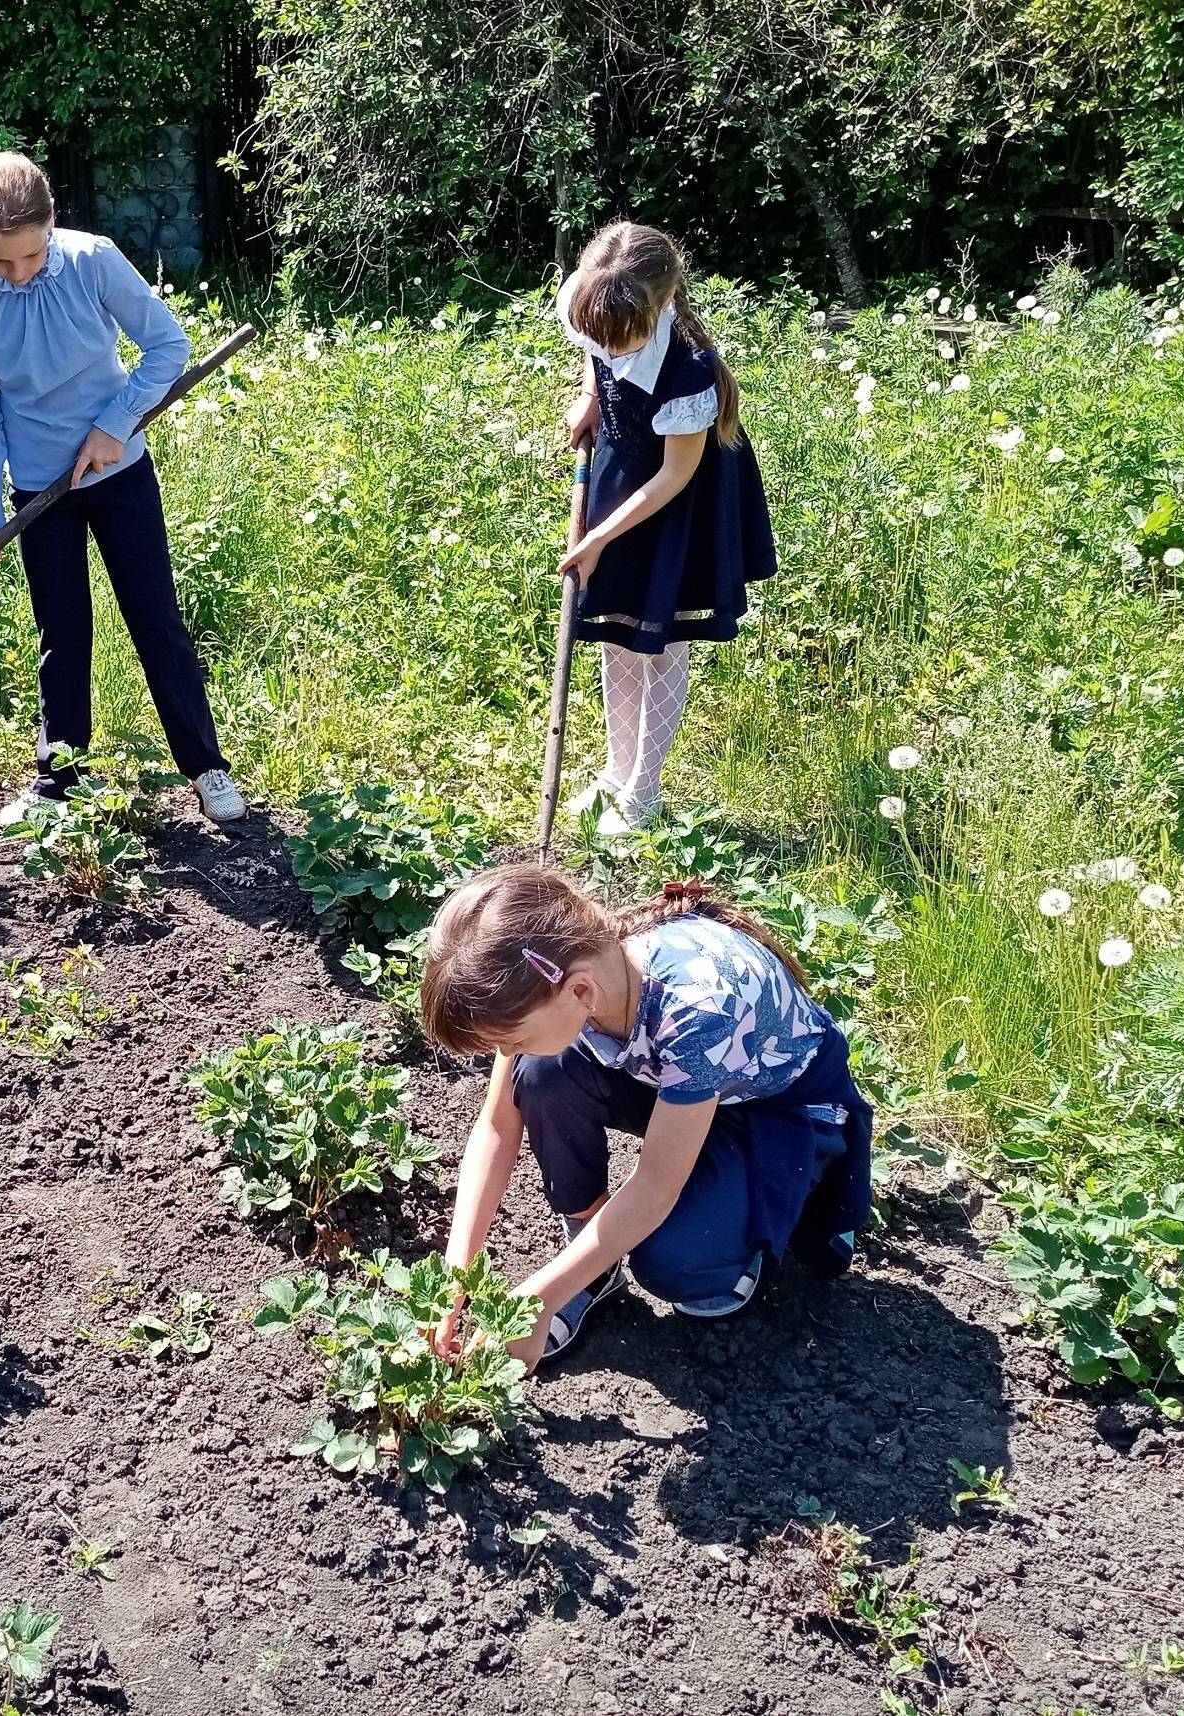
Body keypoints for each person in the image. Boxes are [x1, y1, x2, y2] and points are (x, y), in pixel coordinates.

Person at [419, 863, 870, 1366]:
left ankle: (749, 1232)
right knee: (542, 1074)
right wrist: (455, 1281)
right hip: (683, 1088)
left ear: (580, 992)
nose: (505, 1051)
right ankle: (590, 1263)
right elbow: (497, 1126)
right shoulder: (576, 970)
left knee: (676, 1266)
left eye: (512, 1039)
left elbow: (655, 1184)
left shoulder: (701, 1011)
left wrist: (538, 1299)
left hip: (774, 1110)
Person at [0, 150, 244, 826]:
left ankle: (206, 768)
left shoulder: (91, 261)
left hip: (119, 474)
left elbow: (168, 345)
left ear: (52, 224)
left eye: (28, 255)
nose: (16, 273)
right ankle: (59, 783)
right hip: (38, 491)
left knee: (155, 618)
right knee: (62, 632)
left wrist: (114, 425)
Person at [554, 222, 777, 833]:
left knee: (661, 637)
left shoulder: (689, 372)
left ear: (658, 307)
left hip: (675, 502)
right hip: (622, 476)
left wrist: (598, 538)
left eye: (624, 344)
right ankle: (614, 772)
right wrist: (592, 400)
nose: (610, 351)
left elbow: (676, 477)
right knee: (616, 632)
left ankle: (644, 790)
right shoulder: (593, 298)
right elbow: (591, 353)